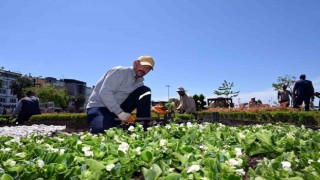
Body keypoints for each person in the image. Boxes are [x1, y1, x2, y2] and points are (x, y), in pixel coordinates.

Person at [86, 55, 155, 134]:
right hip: (100, 107)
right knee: (102, 131)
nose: (145, 70)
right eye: (144, 66)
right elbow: (105, 93)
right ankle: (115, 125)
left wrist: (152, 108)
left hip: (119, 109)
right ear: (135, 63)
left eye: (148, 68)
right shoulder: (120, 72)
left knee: (145, 90)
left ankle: (142, 126)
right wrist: (119, 113)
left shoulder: (140, 83)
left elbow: (141, 101)